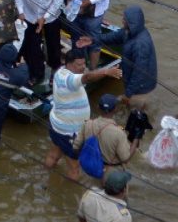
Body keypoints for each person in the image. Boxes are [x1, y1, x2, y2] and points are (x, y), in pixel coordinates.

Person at [45, 49, 121, 180]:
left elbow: (85, 75)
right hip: (69, 132)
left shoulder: (61, 72)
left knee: (54, 155)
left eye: (84, 64)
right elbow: (87, 77)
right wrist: (106, 72)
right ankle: (68, 196)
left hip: (57, 126)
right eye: (78, 65)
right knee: (75, 168)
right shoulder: (70, 79)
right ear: (68, 64)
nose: (82, 67)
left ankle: (46, 175)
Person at [76, 6, 156, 112]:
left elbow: (139, 74)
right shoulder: (128, 32)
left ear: (131, 22)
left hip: (142, 87)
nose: (122, 20)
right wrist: (93, 40)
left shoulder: (141, 45)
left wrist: (128, 94)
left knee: (137, 111)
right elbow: (112, 37)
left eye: (124, 19)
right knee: (129, 105)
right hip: (131, 78)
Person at [13, 0, 65, 84]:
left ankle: (55, 69)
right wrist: (20, 11)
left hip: (51, 17)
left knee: (54, 45)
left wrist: (45, 17)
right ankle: (37, 73)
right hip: (29, 16)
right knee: (32, 46)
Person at [73, 94, 137, 172]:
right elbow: (125, 159)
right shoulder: (119, 133)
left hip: (91, 166)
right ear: (115, 109)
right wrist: (135, 141)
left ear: (98, 107)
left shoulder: (87, 123)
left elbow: (76, 146)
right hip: (110, 171)